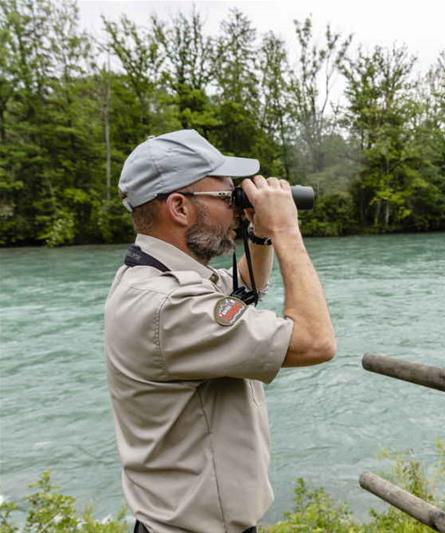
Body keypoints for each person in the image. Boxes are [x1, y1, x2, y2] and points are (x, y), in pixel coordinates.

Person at [104, 129, 336, 533]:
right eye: (228, 198)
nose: (236, 207)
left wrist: (259, 233)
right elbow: (315, 342)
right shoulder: (169, 305)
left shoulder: (154, 275)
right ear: (179, 207)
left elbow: (243, 292)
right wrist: (287, 231)